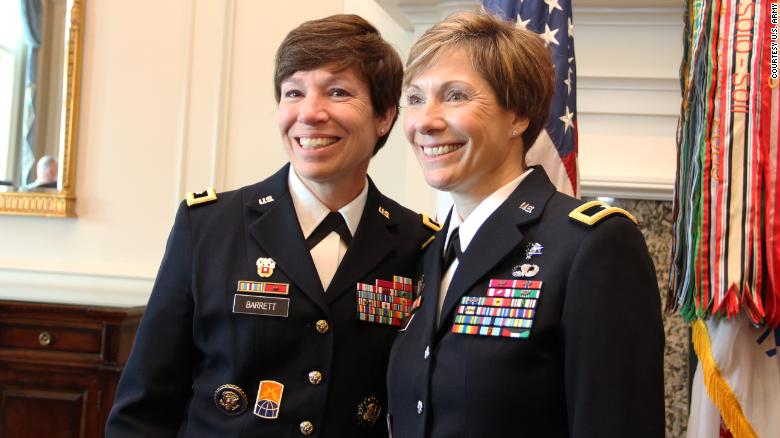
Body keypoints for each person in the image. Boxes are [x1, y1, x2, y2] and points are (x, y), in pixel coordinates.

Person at [106, 14, 437, 437]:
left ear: (385, 116)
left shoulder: (420, 242)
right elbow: (144, 406)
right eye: (293, 92)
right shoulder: (208, 226)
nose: (310, 113)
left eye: (337, 92)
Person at [386, 11, 665, 437]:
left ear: (518, 116)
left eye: (456, 96)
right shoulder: (429, 251)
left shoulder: (590, 245)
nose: (425, 121)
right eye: (417, 98)